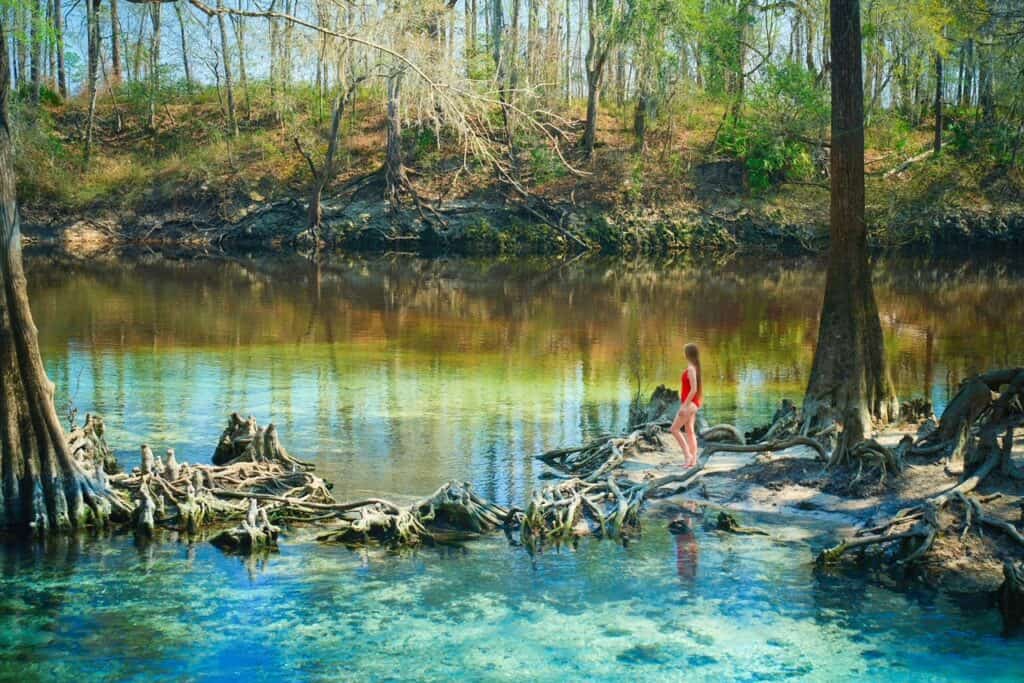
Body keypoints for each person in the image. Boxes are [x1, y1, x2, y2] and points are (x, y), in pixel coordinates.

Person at [669, 342, 702, 468]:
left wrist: (684, 406)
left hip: (690, 404)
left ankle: (687, 456)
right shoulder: (694, 367)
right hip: (693, 403)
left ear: (687, 354)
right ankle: (693, 460)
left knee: (674, 429)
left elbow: (693, 389)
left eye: (684, 352)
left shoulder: (691, 369)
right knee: (689, 430)